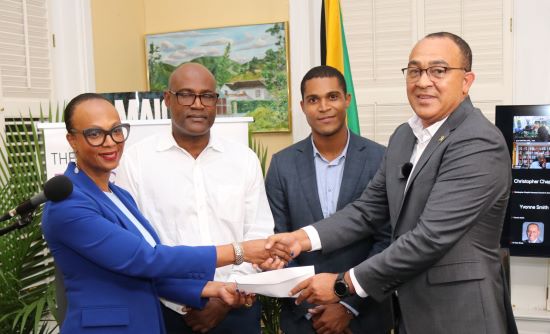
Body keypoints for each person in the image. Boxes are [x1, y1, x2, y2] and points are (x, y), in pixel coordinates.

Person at [266, 32, 518, 334]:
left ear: (466, 81)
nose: (423, 81)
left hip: (460, 315)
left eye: (438, 70)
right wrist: (301, 239)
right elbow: (367, 210)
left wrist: (342, 284)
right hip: (409, 314)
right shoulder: (403, 136)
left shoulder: (478, 141)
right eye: (414, 71)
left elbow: (430, 238)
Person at [42, 93, 286, 334]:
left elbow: (151, 273)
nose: (110, 141)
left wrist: (214, 289)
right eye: (95, 134)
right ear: (72, 140)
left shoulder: (120, 196)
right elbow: (145, 258)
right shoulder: (69, 205)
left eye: (116, 130)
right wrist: (238, 252)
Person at [116, 63, 276, 334]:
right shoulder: (136, 161)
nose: (198, 104)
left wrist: (226, 297)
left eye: (207, 96)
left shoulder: (243, 160)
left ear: (216, 102)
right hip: (166, 311)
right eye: (186, 94)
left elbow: (259, 235)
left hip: (237, 310)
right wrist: (188, 298)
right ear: (168, 99)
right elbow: (136, 243)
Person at [265, 65, 392, 334]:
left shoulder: (381, 158)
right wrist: (310, 302)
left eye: (332, 97)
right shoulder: (281, 165)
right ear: (303, 106)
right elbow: (278, 239)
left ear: (347, 100)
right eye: (313, 99)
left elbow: (387, 238)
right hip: (303, 316)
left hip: (364, 316)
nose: (323, 107)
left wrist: (347, 304)